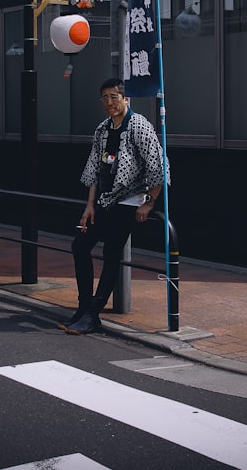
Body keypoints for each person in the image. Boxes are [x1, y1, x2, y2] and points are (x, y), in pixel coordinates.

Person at [63, 77, 168, 335]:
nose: (109, 102)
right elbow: (95, 169)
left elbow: (159, 166)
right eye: (105, 98)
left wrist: (149, 202)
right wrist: (90, 205)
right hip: (105, 199)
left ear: (125, 98)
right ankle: (84, 306)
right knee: (80, 245)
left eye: (114, 97)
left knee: (111, 254)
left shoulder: (139, 126)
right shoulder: (102, 130)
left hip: (130, 200)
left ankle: (92, 314)